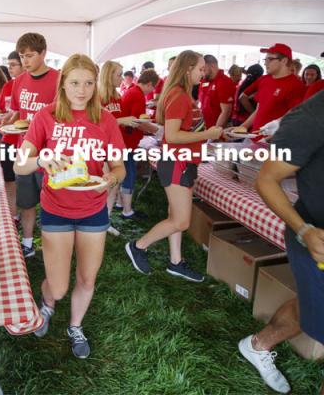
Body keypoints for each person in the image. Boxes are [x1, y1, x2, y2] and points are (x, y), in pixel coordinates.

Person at [14, 53, 126, 359]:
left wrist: (110, 180)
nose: (82, 90)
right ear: (63, 83)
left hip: (93, 210)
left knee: (87, 278)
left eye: (89, 83)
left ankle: (75, 325)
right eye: (75, 82)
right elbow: (20, 165)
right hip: (56, 209)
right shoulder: (46, 116)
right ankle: (48, 303)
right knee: (59, 286)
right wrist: (41, 159)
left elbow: (119, 168)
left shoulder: (106, 120)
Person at [238, 91, 324, 395]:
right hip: (316, 239)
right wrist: (304, 231)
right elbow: (266, 180)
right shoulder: (311, 117)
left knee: (311, 310)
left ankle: (257, 345)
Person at [125, 50, 222, 280]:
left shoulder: (181, 94)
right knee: (181, 220)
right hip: (177, 162)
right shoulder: (179, 96)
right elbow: (173, 135)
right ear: (187, 69)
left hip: (182, 162)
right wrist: (208, 133)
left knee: (174, 214)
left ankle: (176, 262)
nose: (203, 72)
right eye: (200, 69)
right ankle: (138, 246)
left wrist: (208, 134)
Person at [7, 32, 60, 258]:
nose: (25, 61)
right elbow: (16, 113)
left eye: (30, 56)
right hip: (24, 152)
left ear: (43, 53)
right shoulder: (18, 81)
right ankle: (27, 243)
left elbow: (65, 115)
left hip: (50, 152)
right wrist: (5, 124)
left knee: (52, 203)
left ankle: (54, 245)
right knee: (26, 201)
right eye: (22, 56)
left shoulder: (59, 79)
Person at [98, 60, 140, 234]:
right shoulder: (97, 96)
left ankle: (106, 219)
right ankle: (98, 219)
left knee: (114, 184)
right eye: (119, 74)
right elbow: (96, 124)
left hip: (115, 146)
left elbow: (116, 122)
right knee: (104, 185)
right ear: (109, 75)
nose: (122, 78)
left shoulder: (117, 96)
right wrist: (121, 121)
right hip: (101, 148)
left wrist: (128, 122)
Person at [119, 68, 159, 220]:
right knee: (129, 173)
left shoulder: (132, 90)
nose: (152, 91)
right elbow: (138, 122)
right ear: (149, 84)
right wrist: (157, 130)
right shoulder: (138, 95)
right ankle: (127, 211)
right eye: (152, 88)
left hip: (125, 139)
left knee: (124, 171)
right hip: (127, 141)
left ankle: (119, 203)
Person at [238, 44, 305, 131]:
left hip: (276, 141)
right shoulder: (263, 80)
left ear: (284, 61)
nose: (265, 63)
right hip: (255, 138)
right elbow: (259, 110)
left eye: (270, 59)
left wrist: (272, 134)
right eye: (265, 59)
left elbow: (295, 115)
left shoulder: (296, 85)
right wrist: (242, 128)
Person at [0, 52, 25, 223]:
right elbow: (6, 111)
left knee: (23, 181)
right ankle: (12, 215)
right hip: (8, 139)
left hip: (25, 142)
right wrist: (1, 122)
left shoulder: (32, 86)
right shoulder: (8, 86)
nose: (10, 68)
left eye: (14, 64)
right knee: (8, 179)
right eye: (9, 64)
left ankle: (24, 210)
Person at [200, 54, 235, 128]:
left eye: (204, 69)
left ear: (212, 66)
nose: (202, 73)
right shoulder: (204, 81)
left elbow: (226, 112)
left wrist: (215, 132)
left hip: (216, 130)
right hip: (204, 127)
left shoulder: (224, 82)